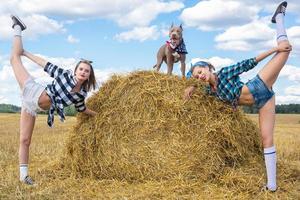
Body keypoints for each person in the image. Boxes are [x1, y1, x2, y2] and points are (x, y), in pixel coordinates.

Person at [184, 1, 291, 192]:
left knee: (285, 50)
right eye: (197, 75)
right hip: (264, 101)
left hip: (259, 85)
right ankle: (272, 186)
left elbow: (248, 63)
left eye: (200, 70)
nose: (200, 75)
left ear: (208, 67)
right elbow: (193, 91)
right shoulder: (209, 92)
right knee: (266, 139)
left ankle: (279, 18)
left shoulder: (224, 73)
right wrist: (191, 85)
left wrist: (273, 50)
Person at [10, 15, 97, 185]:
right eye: (81, 69)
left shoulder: (81, 95)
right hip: (33, 92)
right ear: (75, 70)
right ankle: (17, 27)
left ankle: (23, 177)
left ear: (88, 76)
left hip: (33, 108)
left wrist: (98, 114)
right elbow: (45, 64)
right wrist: (26, 53)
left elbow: (82, 109)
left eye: (86, 71)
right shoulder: (64, 75)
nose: (83, 72)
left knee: (25, 140)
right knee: (14, 58)